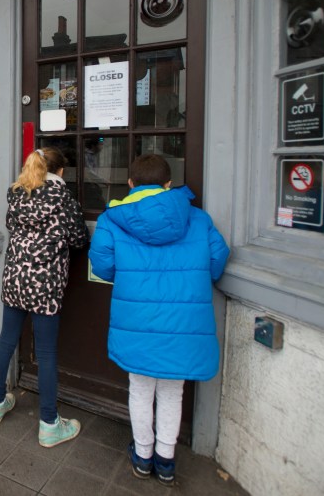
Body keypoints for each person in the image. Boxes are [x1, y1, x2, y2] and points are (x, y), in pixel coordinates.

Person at [88, 154, 229, 486]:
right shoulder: (198, 218)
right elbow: (218, 259)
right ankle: (166, 460)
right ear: (169, 184)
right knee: (172, 390)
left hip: (137, 318)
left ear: (131, 184)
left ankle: (143, 454)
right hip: (183, 323)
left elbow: (103, 265)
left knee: (140, 388)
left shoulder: (113, 220)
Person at [0, 147, 88, 447]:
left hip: (15, 280)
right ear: (60, 172)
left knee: (7, 340)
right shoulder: (62, 200)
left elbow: (12, 227)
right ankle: (48, 424)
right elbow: (79, 237)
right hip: (44, 285)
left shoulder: (18, 195)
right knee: (46, 354)